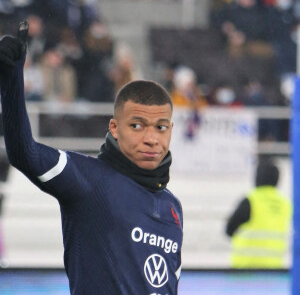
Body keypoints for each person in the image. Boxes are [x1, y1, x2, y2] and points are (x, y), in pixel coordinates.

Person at [0, 21, 183, 294]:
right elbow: (25, 153)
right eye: (136, 126)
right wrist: (12, 80)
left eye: (161, 127)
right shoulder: (87, 179)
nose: (151, 138)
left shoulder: (173, 207)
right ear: (114, 128)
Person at [225, 159, 292, 268]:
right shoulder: (286, 205)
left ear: (257, 177)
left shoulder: (250, 201)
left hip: (246, 270)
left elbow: (228, 231)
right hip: (274, 272)